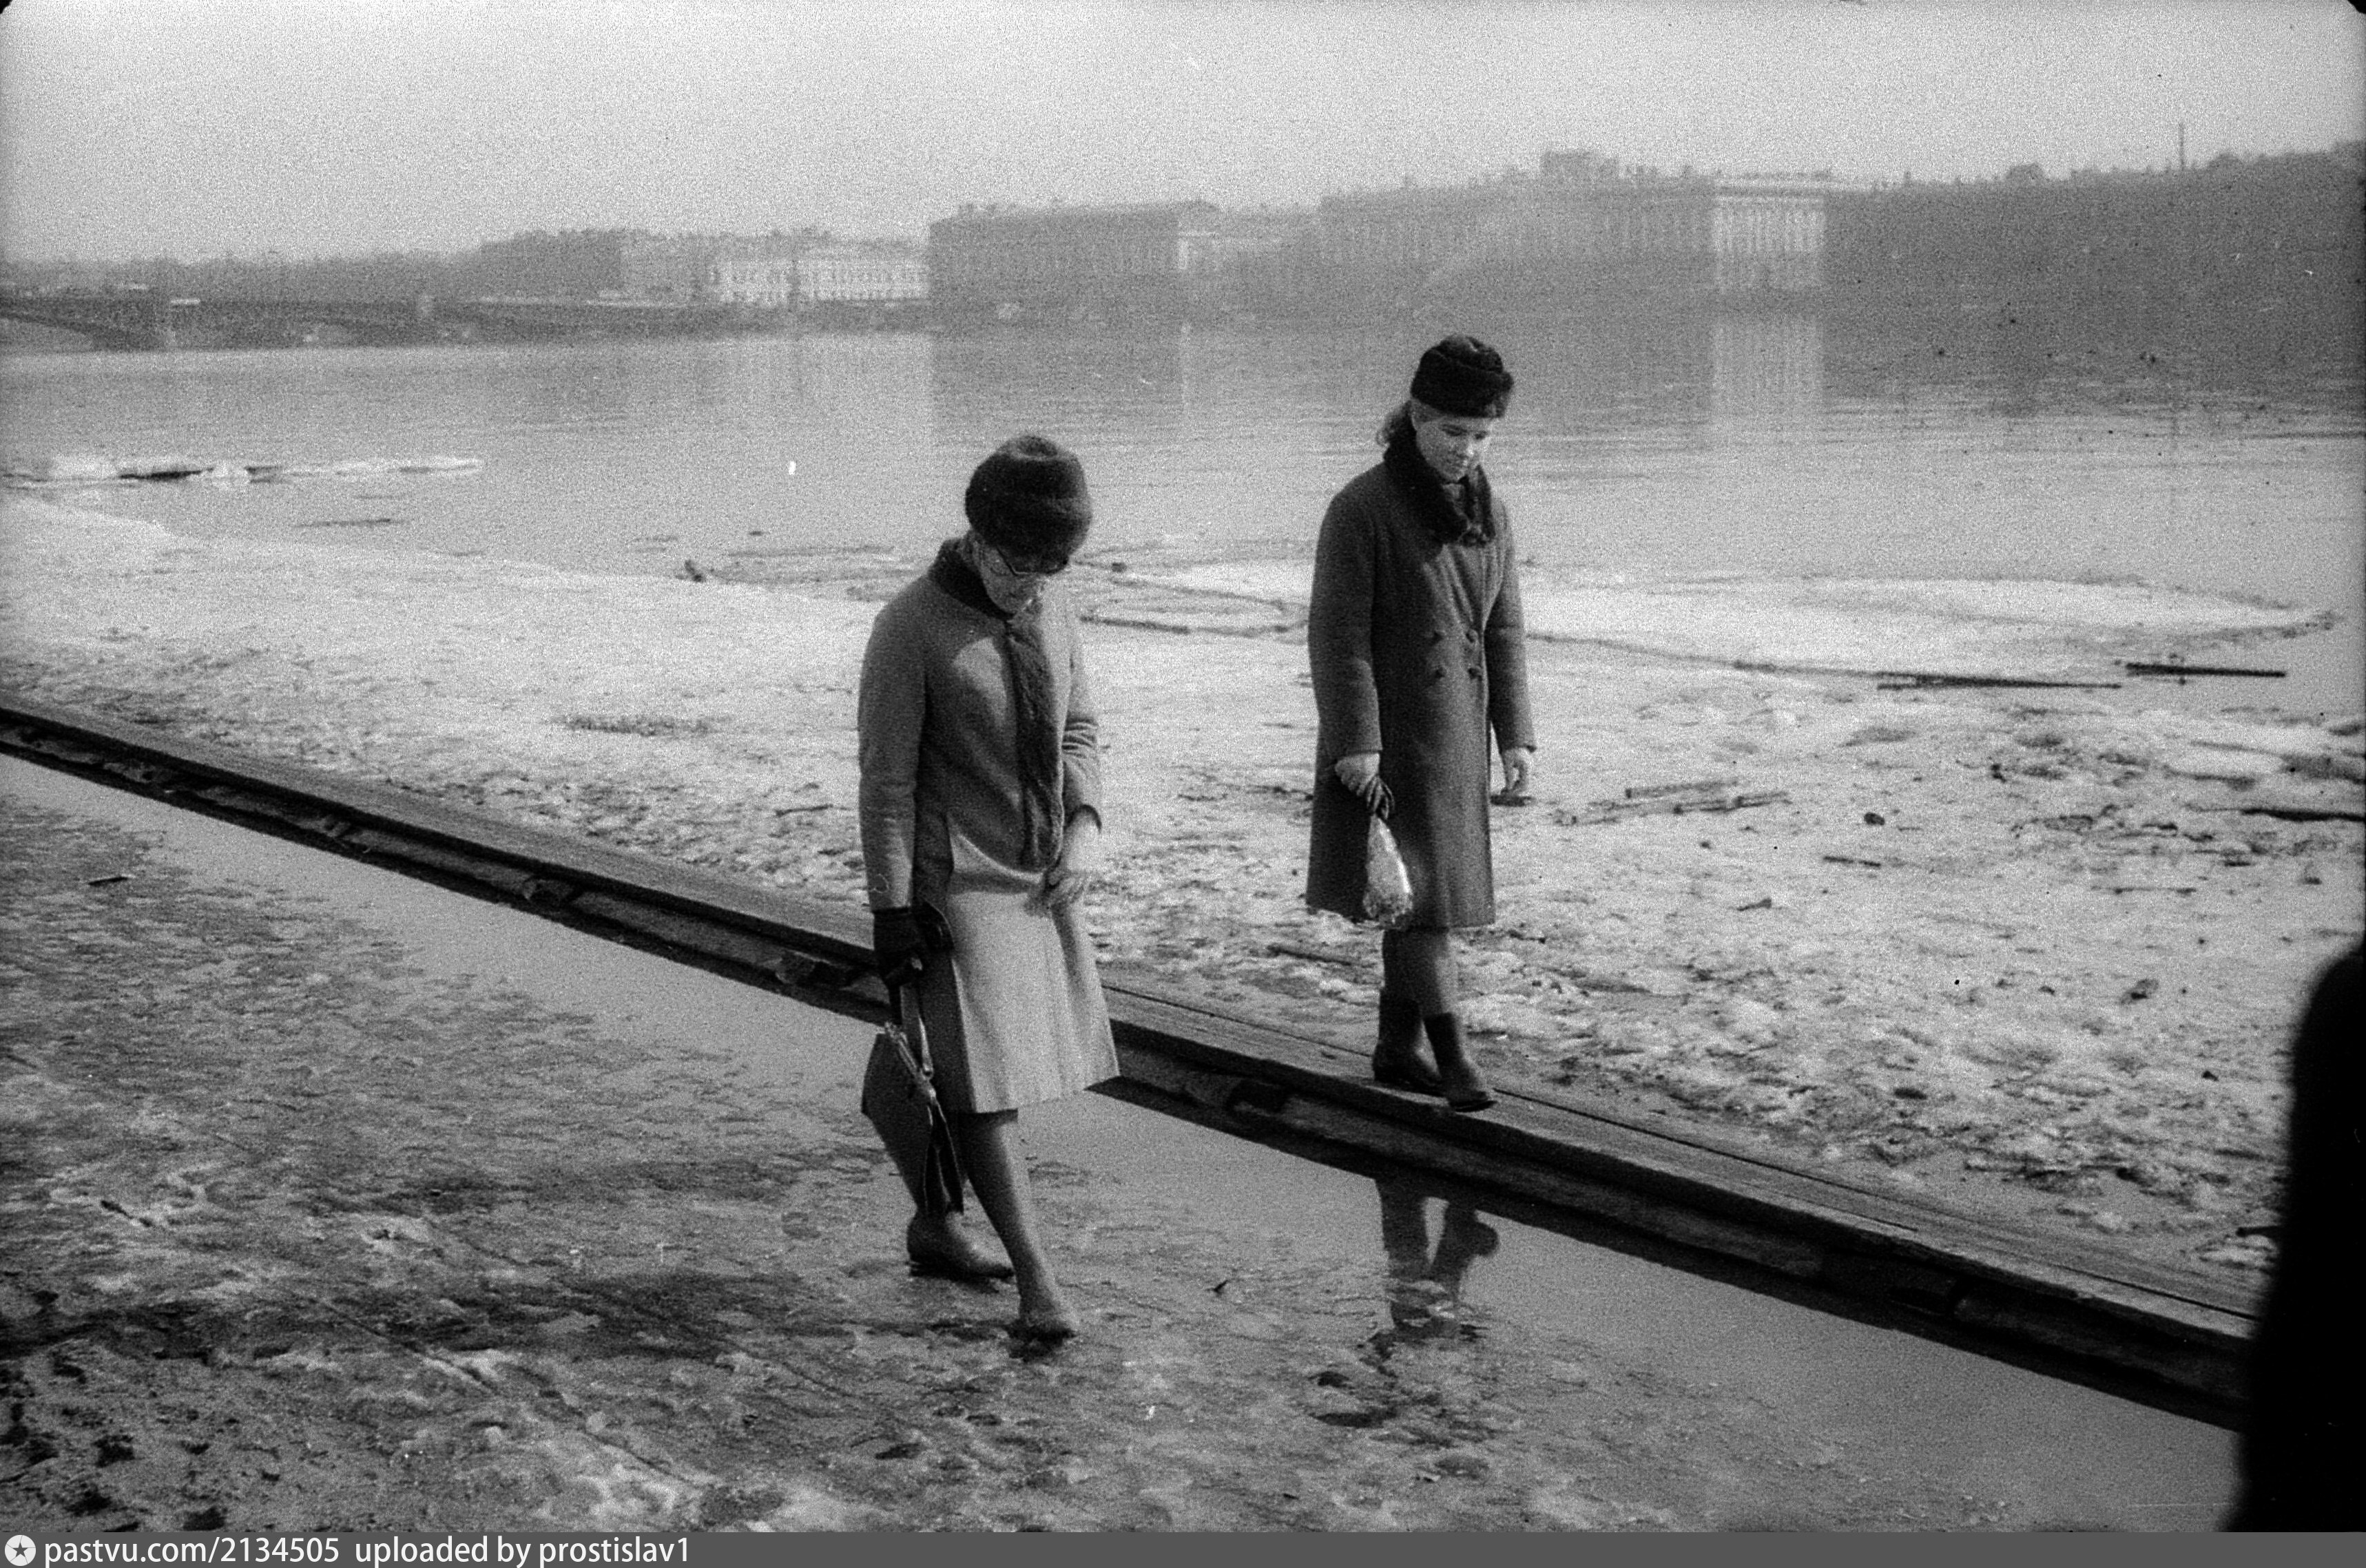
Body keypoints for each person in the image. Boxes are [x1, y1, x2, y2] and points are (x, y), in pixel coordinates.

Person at [856, 433, 1115, 1344]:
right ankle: (1039, 1282)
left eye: (1050, 566)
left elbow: (1079, 728)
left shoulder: (1054, 606)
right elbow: (887, 785)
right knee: (986, 1082)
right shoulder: (909, 625)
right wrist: (892, 910)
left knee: (974, 1070)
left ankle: (936, 1224)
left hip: (1038, 870)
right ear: (976, 534)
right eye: (1014, 562)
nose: (1029, 583)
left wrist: (1085, 824)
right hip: (952, 881)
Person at [1305, 335, 1536, 1112]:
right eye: (1452, 432)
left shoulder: (1490, 511)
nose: (1467, 450)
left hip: (1458, 735)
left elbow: (1503, 629)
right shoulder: (1361, 508)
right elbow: (1337, 636)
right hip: (1389, 739)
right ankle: (1454, 1056)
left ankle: (1396, 1045)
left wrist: (1516, 735)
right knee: (1423, 905)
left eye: (1483, 436)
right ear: (1414, 418)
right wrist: (1355, 742)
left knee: (1414, 896)